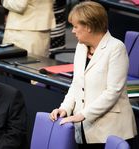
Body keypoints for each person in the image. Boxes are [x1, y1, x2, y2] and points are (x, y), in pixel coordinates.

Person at [49, 1, 137, 149]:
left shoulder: (116, 48)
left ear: (89, 27)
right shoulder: (81, 47)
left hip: (111, 131)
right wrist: (65, 108)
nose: (72, 31)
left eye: (76, 26)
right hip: (85, 131)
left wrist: (82, 115)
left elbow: (112, 92)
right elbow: (76, 84)